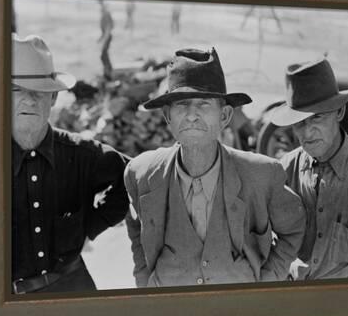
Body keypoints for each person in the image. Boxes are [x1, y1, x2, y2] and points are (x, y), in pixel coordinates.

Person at [124, 48, 306, 287]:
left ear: (225, 116)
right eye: (182, 104)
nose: (191, 115)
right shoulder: (142, 173)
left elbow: (293, 229)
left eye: (204, 104)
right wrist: (144, 281)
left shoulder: (261, 175)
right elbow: (137, 228)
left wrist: (266, 281)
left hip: (236, 309)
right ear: (168, 116)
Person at [11, 34, 129, 294]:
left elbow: (135, 176)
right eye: (16, 90)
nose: (29, 100)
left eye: (39, 92)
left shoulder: (82, 153)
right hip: (3, 303)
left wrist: (92, 225)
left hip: (73, 290)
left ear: (53, 98)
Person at [270, 59, 348, 280]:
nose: (307, 133)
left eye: (317, 117)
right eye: (299, 122)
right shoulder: (285, 171)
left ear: (339, 112)